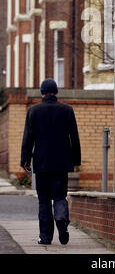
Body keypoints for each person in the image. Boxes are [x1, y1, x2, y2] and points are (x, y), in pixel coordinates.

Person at [20, 78, 81, 246]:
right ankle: (61, 218)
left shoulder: (33, 111)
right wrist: (76, 160)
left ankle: (45, 237)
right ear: (56, 92)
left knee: (44, 200)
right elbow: (74, 137)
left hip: (41, 164)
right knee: (60, 196)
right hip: (61, 164)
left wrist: (25, 159)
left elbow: (28, 138)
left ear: (42, 92)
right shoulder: (67, 110)